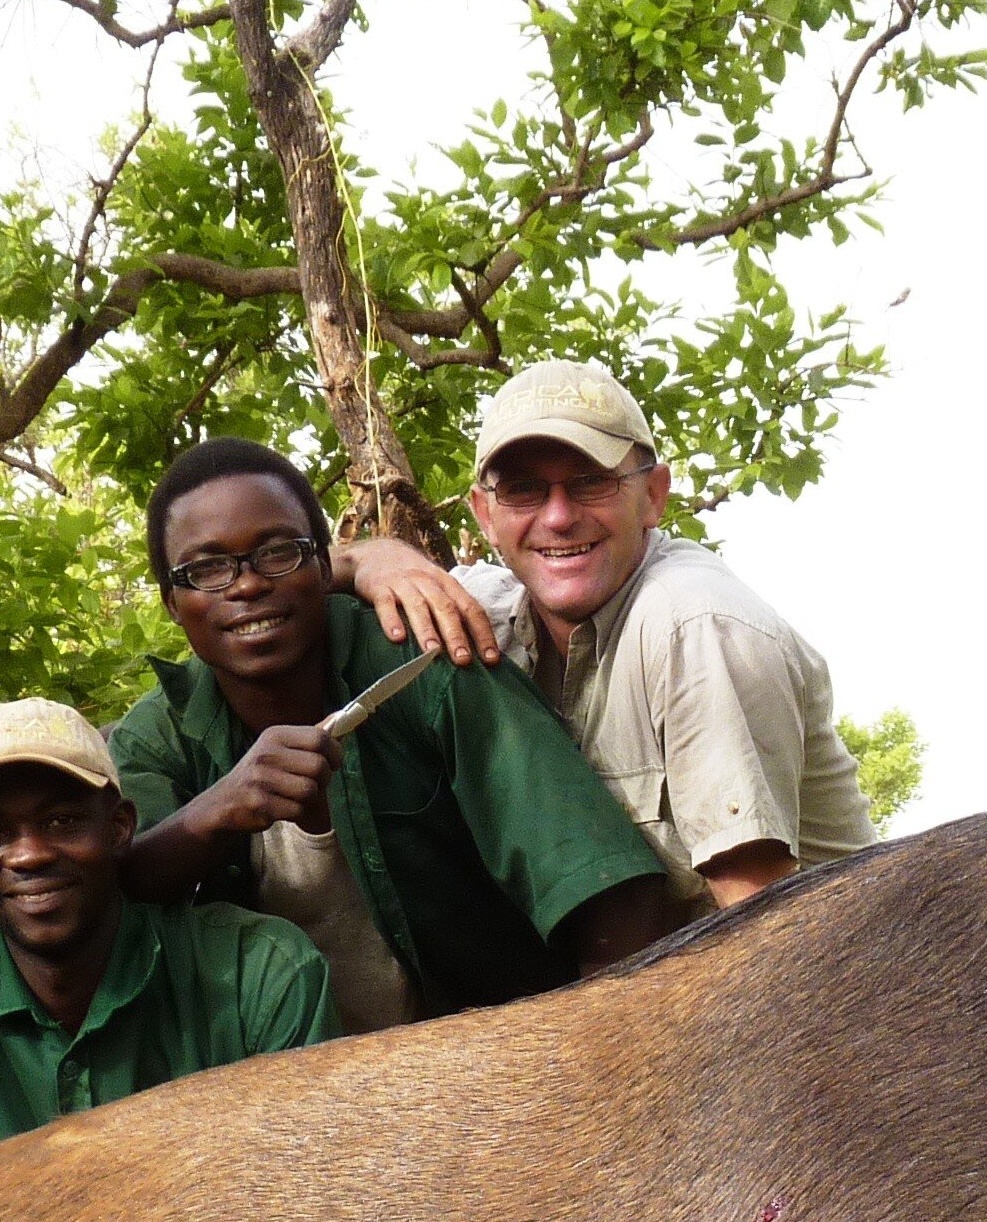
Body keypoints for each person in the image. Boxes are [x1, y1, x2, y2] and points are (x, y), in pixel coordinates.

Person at [112, 438, 694, 1031]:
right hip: (283, 1093)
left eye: (278, 553)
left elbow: (608, 892)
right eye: (206, 569)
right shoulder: (159, 736)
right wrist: (217, 811)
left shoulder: (427, 664)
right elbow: (103, 898)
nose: (246, 586)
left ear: (324, 567)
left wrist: (601, 1058)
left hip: (490, 1058)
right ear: (171, 602)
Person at [342, 360, 876, 907]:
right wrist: (377, 558)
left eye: (591, 483)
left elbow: (762, 924)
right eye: (524, 491)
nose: (557, 517)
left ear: (653, 495)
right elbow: (297, 576)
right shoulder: (490, 610)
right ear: (484, 513)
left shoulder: (695, 628)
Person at [0, 700, 335, 1222]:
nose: (29, 855)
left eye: (62, 822)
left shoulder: (258, 972)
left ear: (120, 827)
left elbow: (312, 1201)